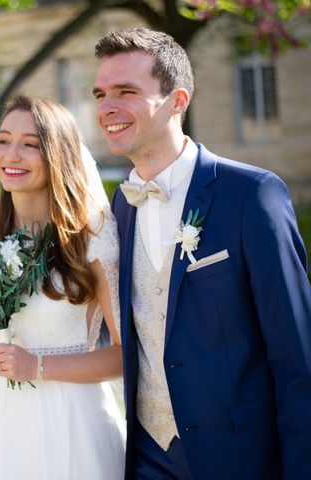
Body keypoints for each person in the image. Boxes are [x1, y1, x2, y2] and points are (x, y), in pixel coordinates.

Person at [92, 27, 311, 480]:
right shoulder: (121, 205)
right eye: (100, 93)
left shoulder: (251, 195)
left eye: (127, 91)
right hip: (148, 456)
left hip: (240, 459)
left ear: (177, 101)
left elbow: (297, 357)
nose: (107, 107)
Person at [0, 95, 126, 480]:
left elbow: (126, 357)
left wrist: (36, 365)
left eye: (31, 144)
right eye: (3, 140)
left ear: (58, 155)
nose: (11, 155)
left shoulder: (93, 238)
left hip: (72, 422)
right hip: (2, 424)